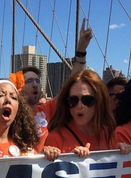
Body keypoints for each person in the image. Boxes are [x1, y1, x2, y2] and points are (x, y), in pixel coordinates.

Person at [16, 19, 92, 151]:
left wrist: (81, 51)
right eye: (29, 81)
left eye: (37, 81)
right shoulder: (9, 115)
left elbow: (73, 83)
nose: (35, 84)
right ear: (18, 88)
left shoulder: (46, 110)